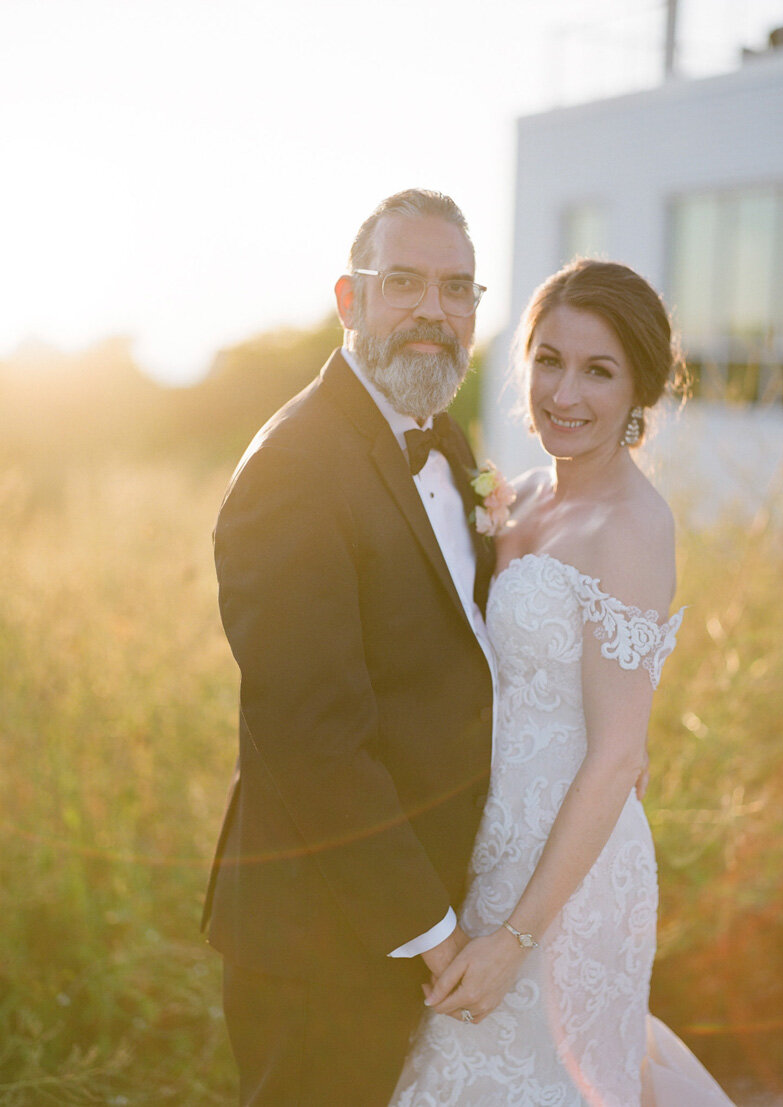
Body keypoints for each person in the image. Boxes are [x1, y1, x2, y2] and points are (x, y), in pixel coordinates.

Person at [391, 259, 735, 1106]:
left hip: (569, 871)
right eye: (548, 359)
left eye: (598, 369)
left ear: (639, 390)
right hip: (488, 842)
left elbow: (619, 757)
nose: (564, 392)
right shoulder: (526, 498)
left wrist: (513, 936)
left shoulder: (634, 525)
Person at [201, 189, 498, 1106]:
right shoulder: (296, 468)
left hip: (442, 912)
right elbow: (314, 737)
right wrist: (433, 930)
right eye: (402, 281)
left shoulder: (448, 436)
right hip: (324, 939)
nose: (432, 309)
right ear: (349, 299)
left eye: (456, 288)